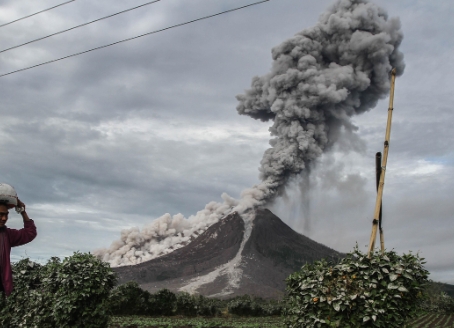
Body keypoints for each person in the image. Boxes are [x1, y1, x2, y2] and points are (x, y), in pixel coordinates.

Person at [0, 198, 37, 297]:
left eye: (6, 215)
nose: (4, 218)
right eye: (1, 214)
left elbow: (30, 233)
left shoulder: (7, 235)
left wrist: (23, 212)